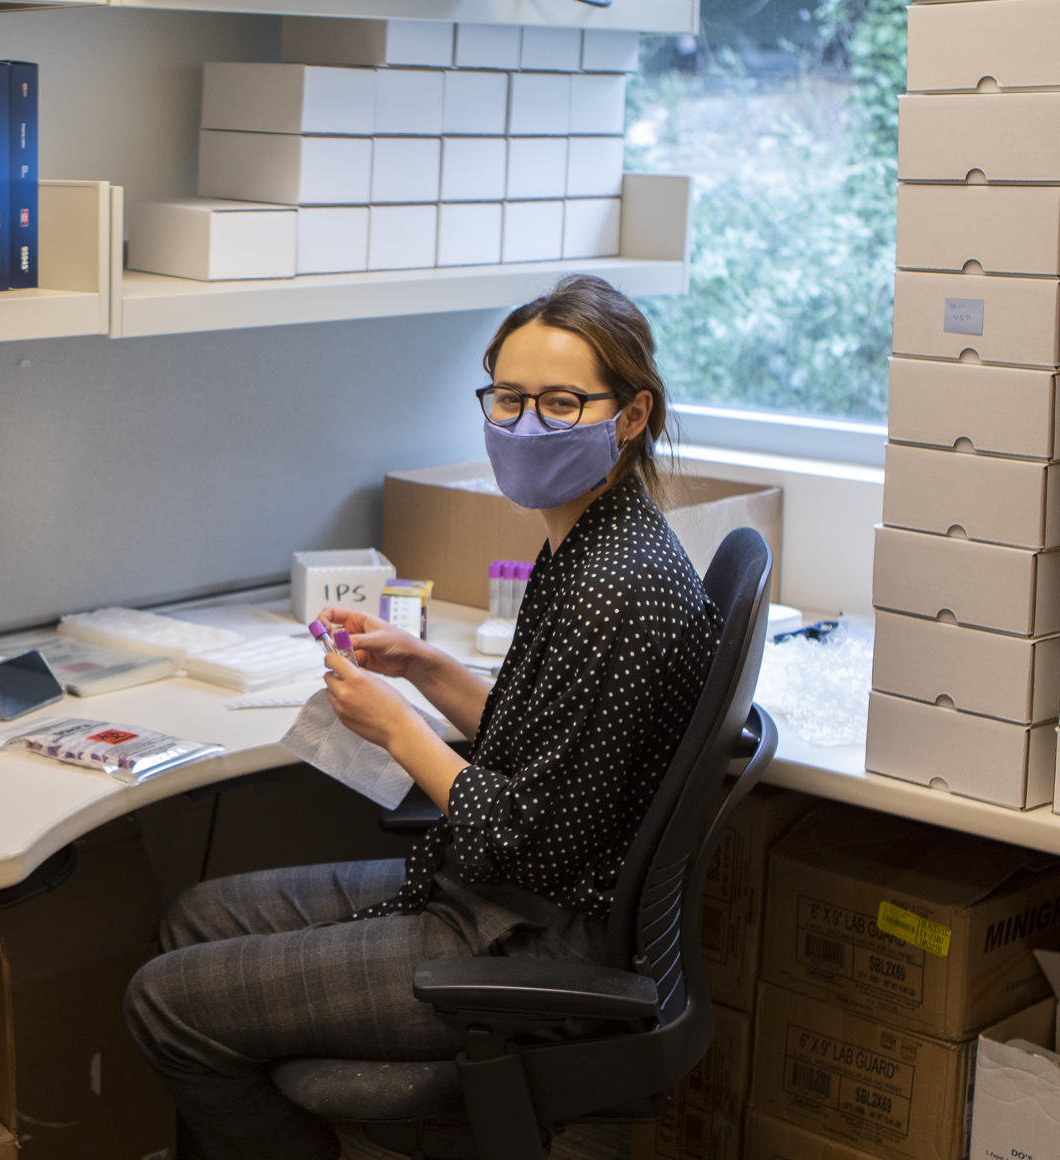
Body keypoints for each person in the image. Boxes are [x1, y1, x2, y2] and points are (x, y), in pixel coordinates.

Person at [124, 275, 723, 1160]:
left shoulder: (614, 588)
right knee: (196, 917)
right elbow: (559, 749)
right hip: (512, 898)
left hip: (532, 937)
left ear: (630, 417)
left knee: (164, 1002)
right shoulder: (595, 536)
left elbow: (526, 841)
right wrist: (430, 673)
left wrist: (399, 730)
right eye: (508, 399)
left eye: (561, 404)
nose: (526, 427)